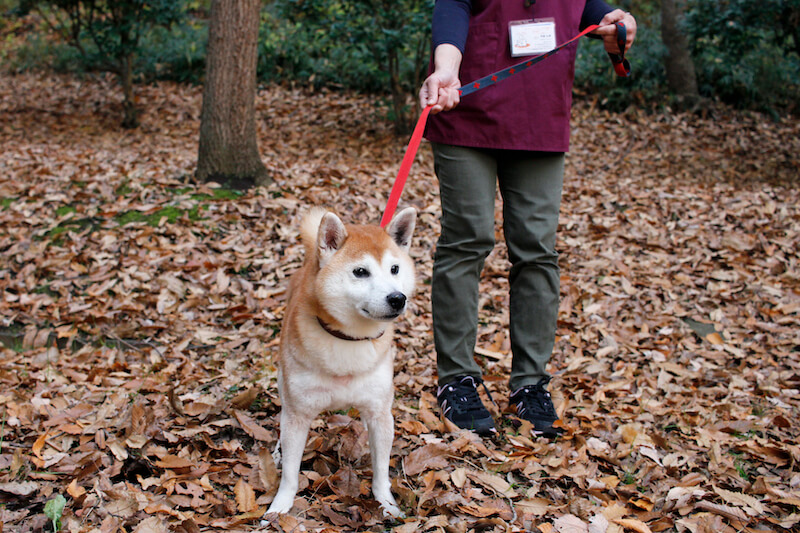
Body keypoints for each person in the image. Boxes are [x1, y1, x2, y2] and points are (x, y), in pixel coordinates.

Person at [419, 0, 636, 437]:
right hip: (467, 111)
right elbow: (453, 8)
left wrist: (618, 22)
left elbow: (596, 12)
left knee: (537, 249)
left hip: (540, 120)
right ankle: (456, 379)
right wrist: (447, 67)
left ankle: (530, 386)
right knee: (468, 239)